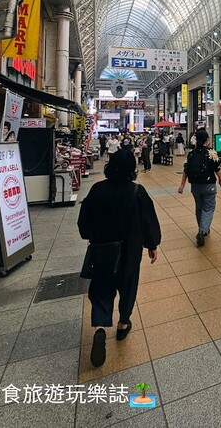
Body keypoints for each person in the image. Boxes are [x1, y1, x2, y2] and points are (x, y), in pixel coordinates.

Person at [77, 149, 161, 367]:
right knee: (128, 286)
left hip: (102, 251)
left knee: (101, 288)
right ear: (132, 169)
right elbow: (148, 221)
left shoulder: (97, 190)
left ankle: (101, 328)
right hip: (129, 252)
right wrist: (152, 245)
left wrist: (91, 236)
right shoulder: (137, 192)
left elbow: (83, 224)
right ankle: (123, 323)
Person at [178, 130, 221, 247]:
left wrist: (182, 185)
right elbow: (217, 169)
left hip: (195, 186)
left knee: (199, 207)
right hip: (209, 185)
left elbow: (185, 170)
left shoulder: (191, 153)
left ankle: (203, 228)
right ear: (207, 140)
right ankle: (202, 231)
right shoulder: (211, 152)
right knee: (208, 208)